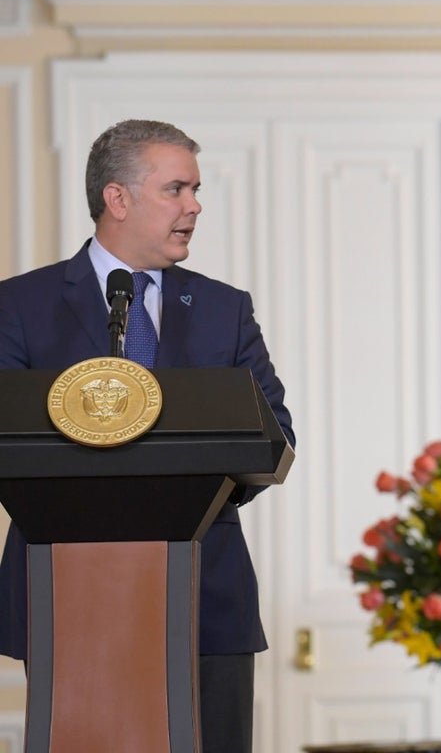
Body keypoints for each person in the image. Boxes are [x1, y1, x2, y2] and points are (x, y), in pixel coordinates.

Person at [0, 119, 294, 753]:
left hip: (204, 593)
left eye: (195, 190)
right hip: (66, 593)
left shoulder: (223, 308)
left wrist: (179, 498)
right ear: (118, 198)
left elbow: (275, 436)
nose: (195, 206)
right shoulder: (19, 305)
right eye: (177, 189)